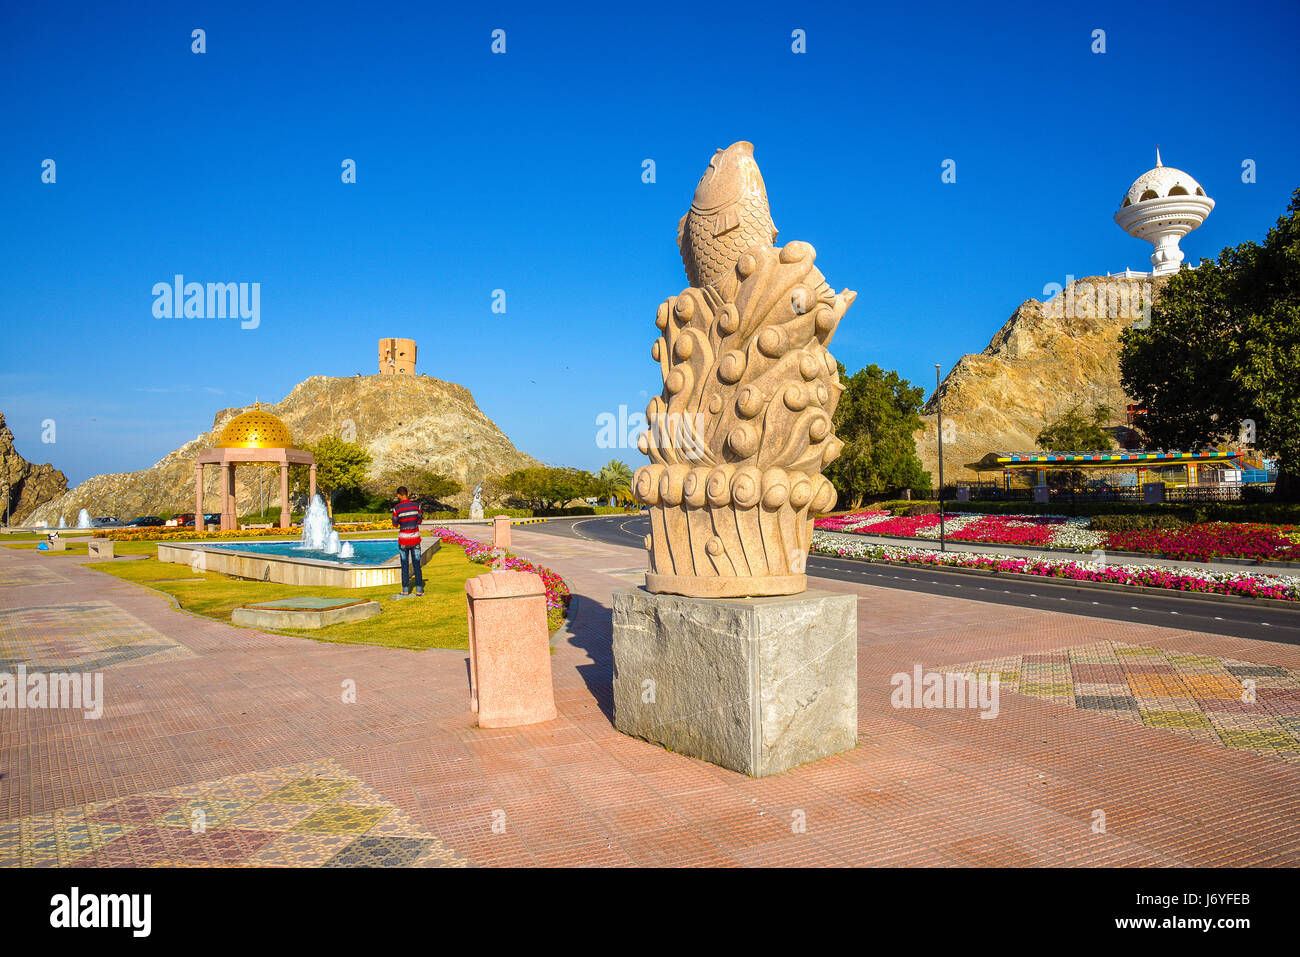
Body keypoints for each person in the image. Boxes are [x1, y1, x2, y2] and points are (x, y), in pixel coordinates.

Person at [391, 486, 424, 597]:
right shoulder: (417, 506)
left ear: (398, 495)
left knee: (404, 565)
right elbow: (419, 520)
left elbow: (395, 524)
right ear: (408, 494)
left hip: (403, 540)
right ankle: (419, 590)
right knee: (416, 565)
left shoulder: (396, 509)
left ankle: (405, 590)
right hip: (415, 539)